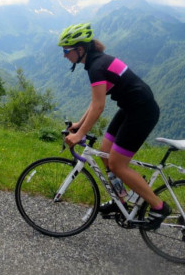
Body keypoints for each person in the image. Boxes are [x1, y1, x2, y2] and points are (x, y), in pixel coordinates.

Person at [58, 23, 171, 230]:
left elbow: (99, 107)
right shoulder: (95, 62)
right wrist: (79, 124)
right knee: (104, 153)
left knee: (118, 164)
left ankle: (159, 207)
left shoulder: (96, 66)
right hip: (129, 108)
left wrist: (80, 134)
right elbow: (95, 102)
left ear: (80, 49)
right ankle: (121, 200)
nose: (64, 55)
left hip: (142, 112)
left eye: (66, 50)